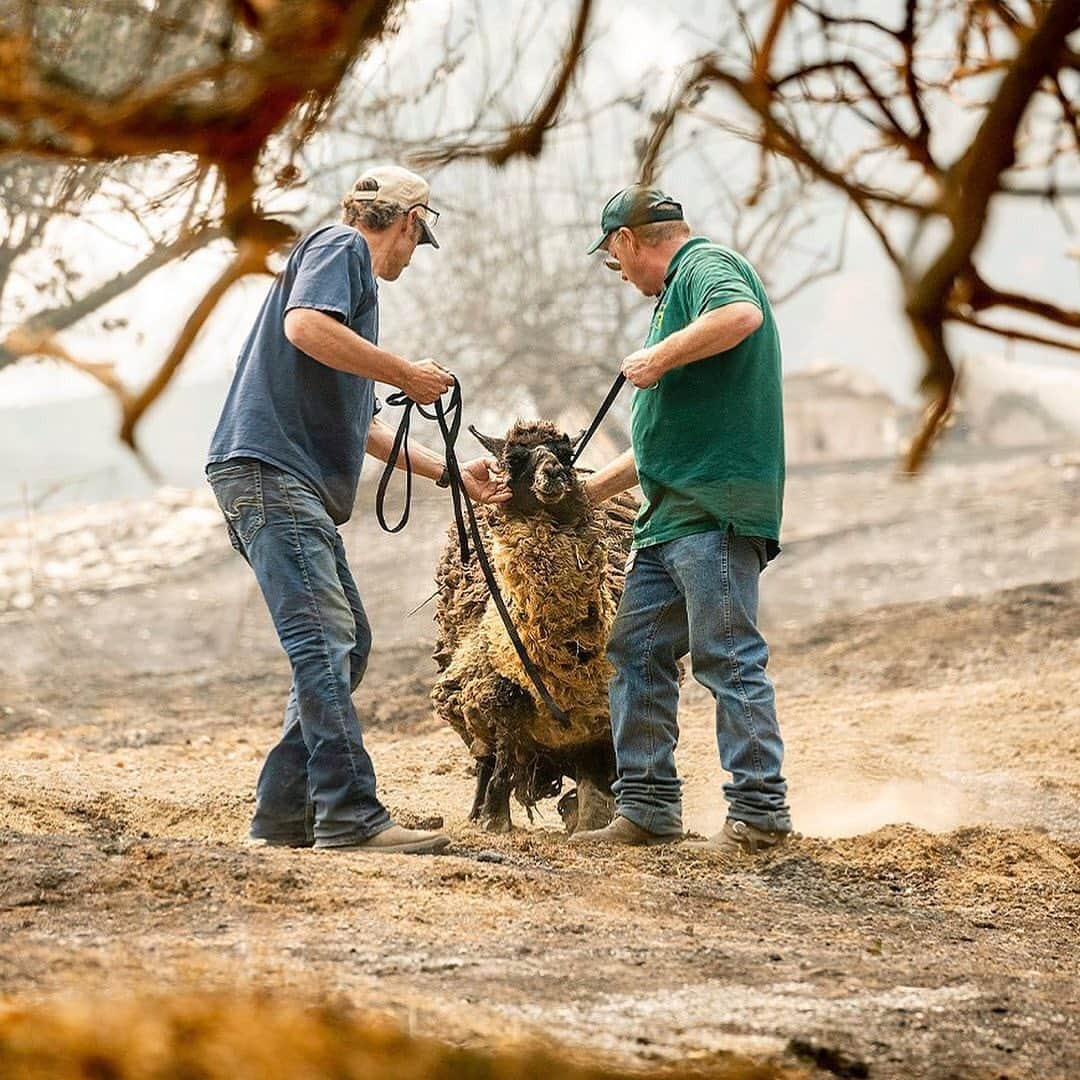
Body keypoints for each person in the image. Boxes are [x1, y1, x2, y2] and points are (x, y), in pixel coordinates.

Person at [206, 165, 508, 854]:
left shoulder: (345, 290)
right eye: (417, 239)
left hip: (280, 478)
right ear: (407, 223)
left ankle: (283, 819)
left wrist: (455, 474)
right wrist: (405, 372)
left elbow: (370, 428)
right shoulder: (341, 252)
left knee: (346, 642)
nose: (411, 253)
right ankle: (350, 815)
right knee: (326, 640)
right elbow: (305, 326)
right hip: (271, 473)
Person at [572, 185, 793, 857]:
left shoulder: (703, 265)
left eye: (617, 262)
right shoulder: (673, 302)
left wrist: (658, 356)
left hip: (715, 511)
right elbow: (661, 444)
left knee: (727, 655)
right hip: (668, 518)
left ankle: (759, 816)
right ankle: (648, 808)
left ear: (625, 242)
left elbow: (741, 314)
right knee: (635, 651)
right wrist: (578, 499)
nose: (624, 276)